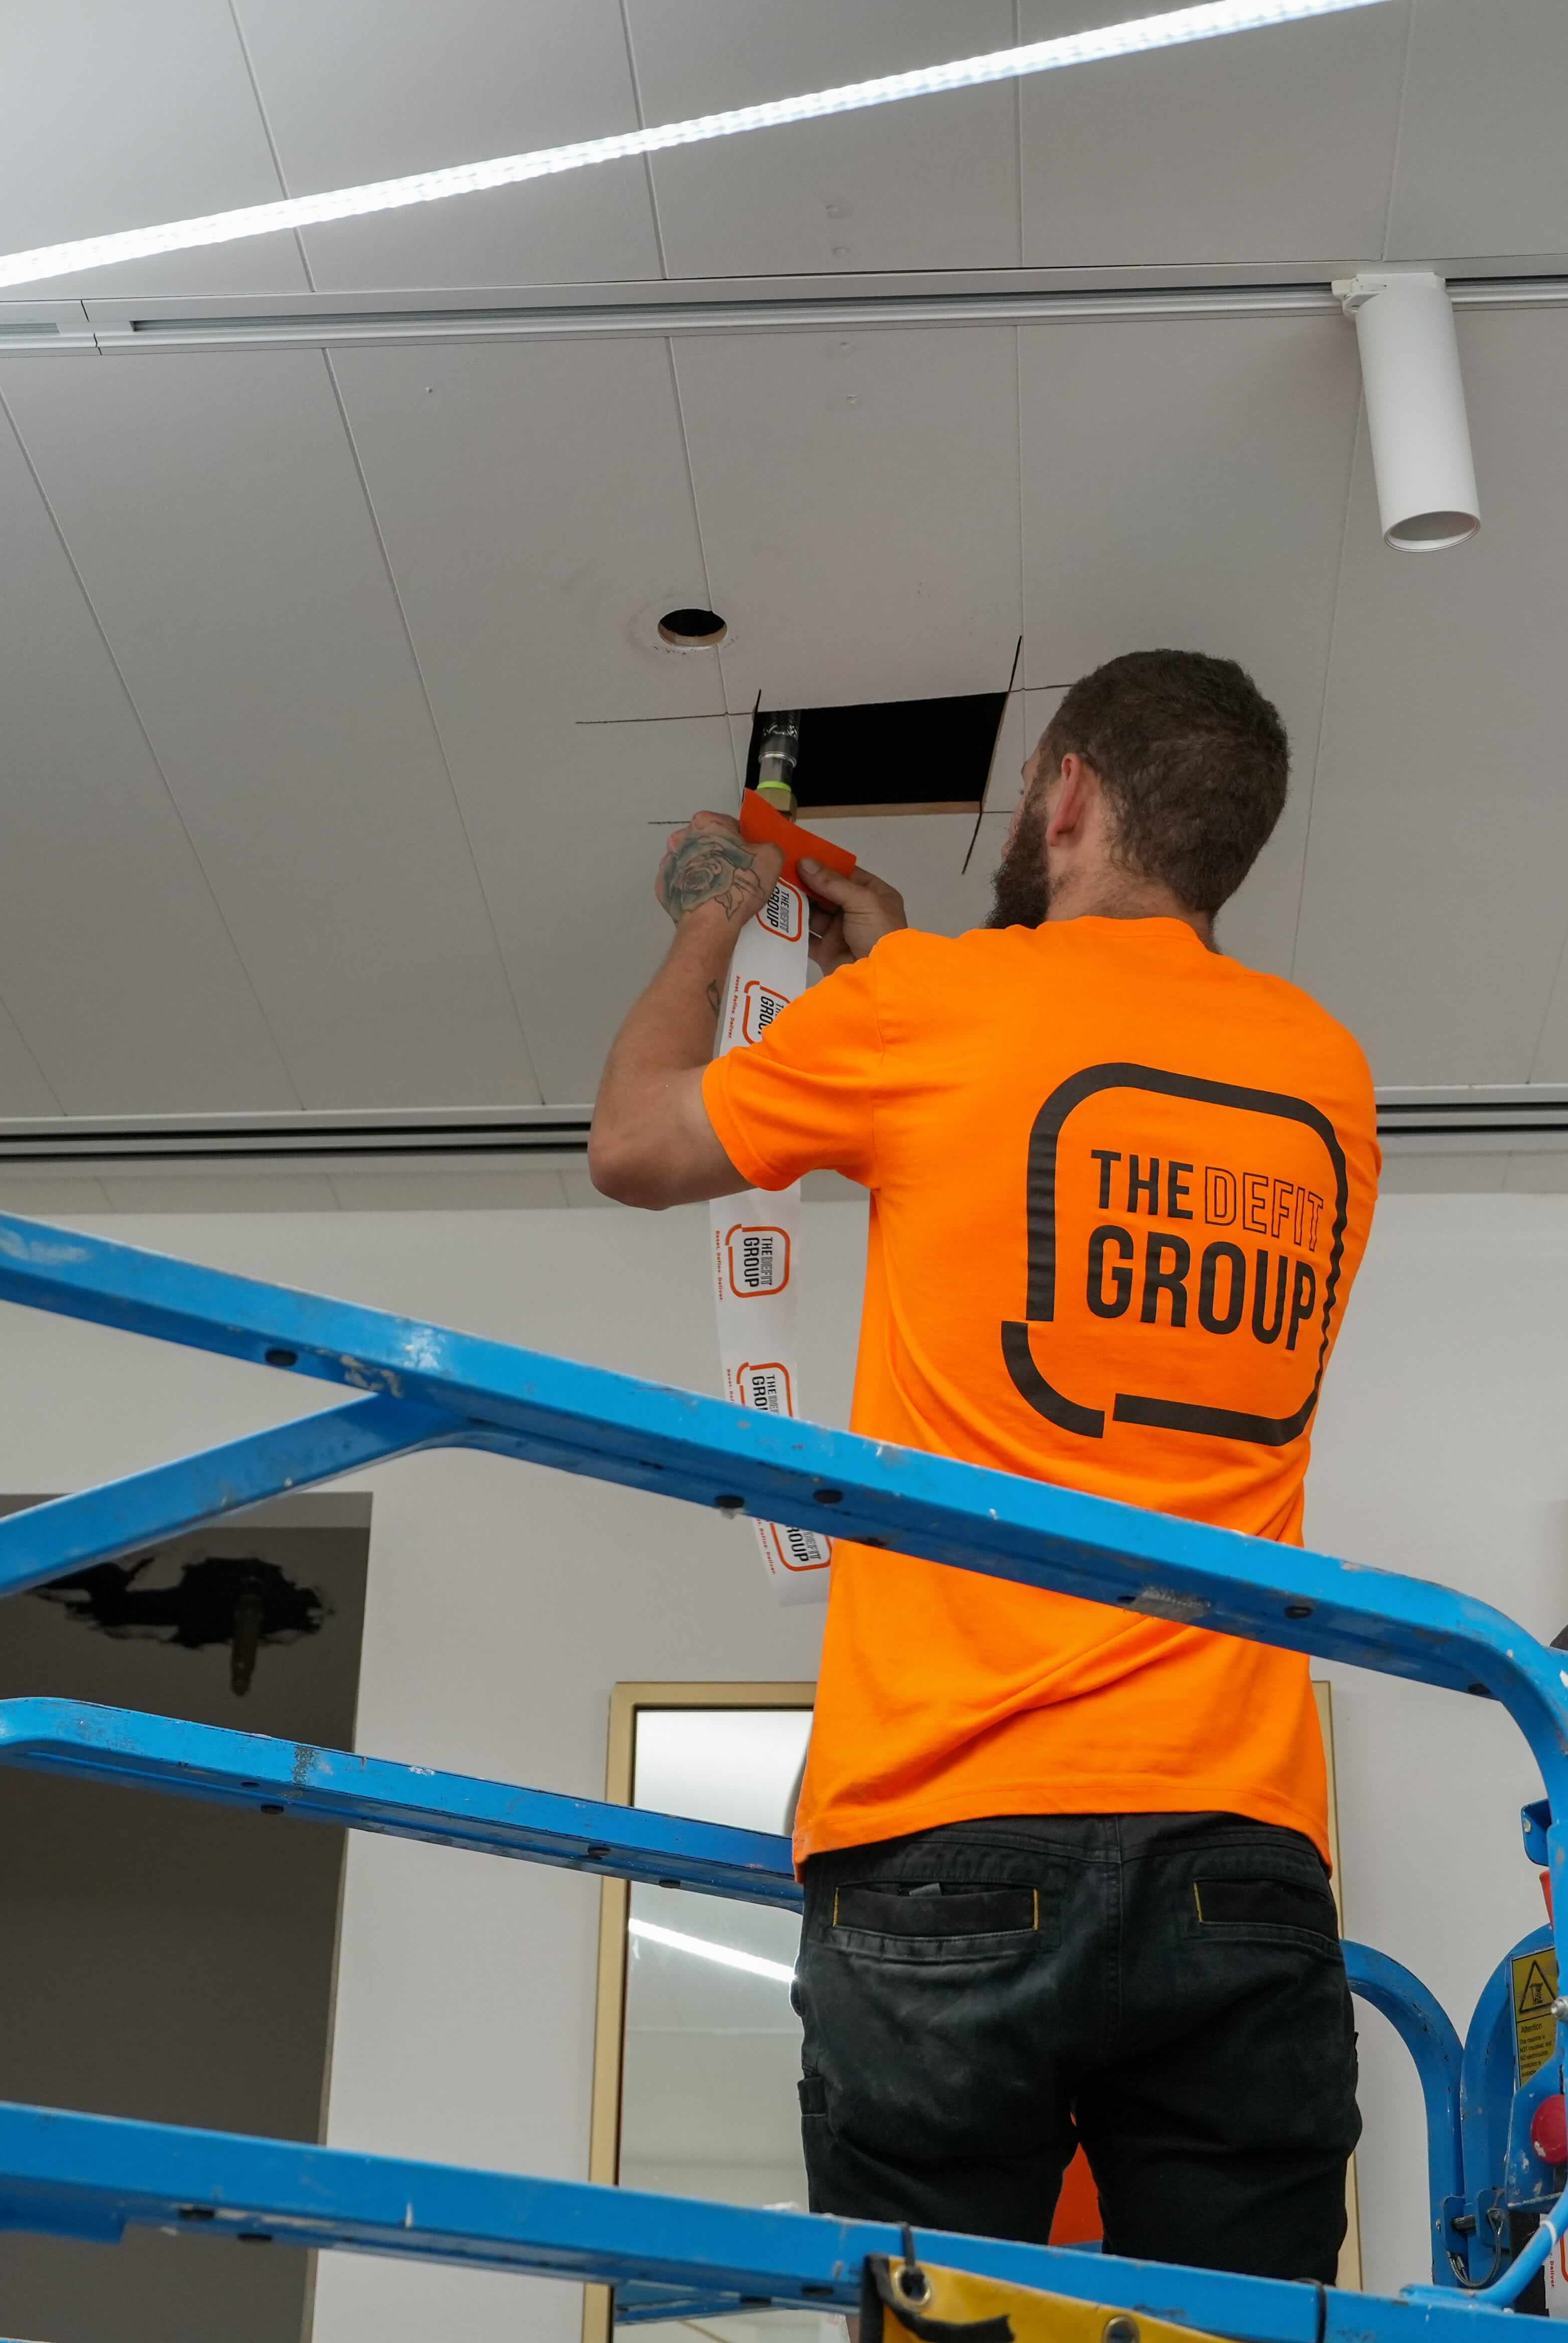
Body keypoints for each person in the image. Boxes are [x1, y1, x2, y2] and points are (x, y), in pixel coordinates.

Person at [589, 649, 1381, 2282]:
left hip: (947, 1830)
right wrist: (913, 971)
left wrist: (710, 912)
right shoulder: (1327, 1077)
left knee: (949, 2323)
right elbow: (1071, 1166)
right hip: (1238, 1845)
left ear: (1068, 792)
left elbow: (638, 1143)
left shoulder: (930, 1013)